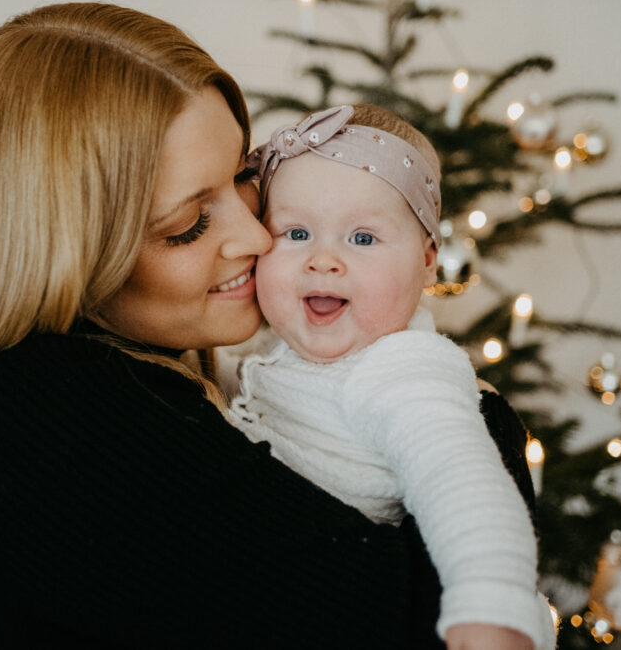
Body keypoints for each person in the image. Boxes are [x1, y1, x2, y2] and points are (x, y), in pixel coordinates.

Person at [0, 2, 539, 650]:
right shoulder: (43, 415)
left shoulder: (153, 380)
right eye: (188, 223)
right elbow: (415, 626)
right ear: (68, 256)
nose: (257, 235)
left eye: (244, 176)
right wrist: (480, 419)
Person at [229, 104, 554, 650]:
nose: (323, 260)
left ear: (428, 262)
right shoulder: (273, 349)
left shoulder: (404, 369)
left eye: (362, 239)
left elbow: (461, 480)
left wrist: (491, 607)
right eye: (296, 232)